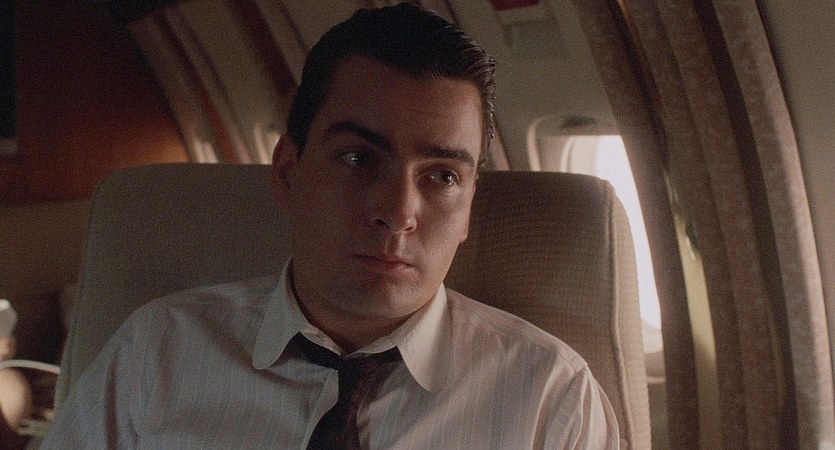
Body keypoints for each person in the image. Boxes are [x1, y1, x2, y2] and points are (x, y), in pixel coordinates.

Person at [43, 3, 619, 448]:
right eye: (358, 158)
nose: (398, 211)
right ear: (288, 173)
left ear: (468, 206)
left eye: (442, 176)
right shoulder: (157, 352)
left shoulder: (552, 396)